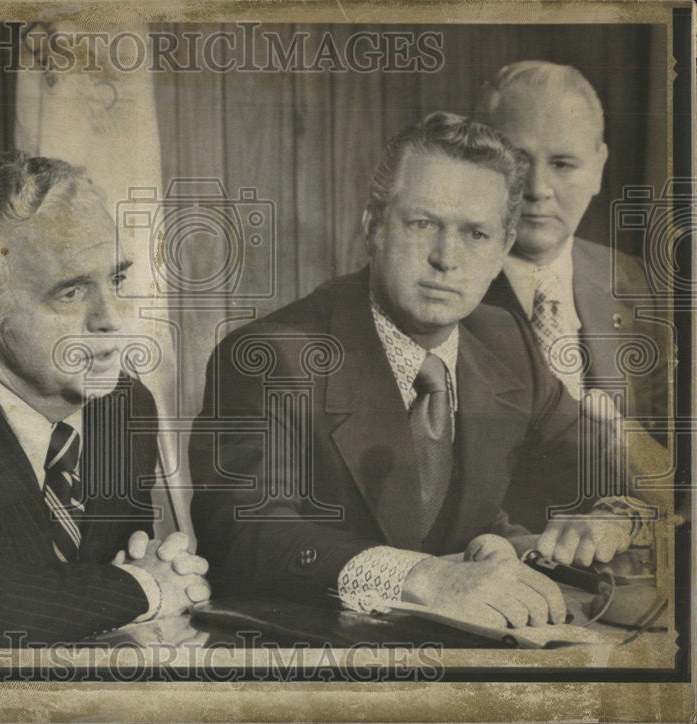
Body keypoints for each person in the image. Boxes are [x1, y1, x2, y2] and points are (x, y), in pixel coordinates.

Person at [189, 112, 643, 630]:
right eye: (423, 224)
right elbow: (244, 536)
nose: (447, 258)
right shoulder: (272, 356)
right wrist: (426, 580)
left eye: (475, 233)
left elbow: (598, 468)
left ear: (501, 250)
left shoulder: (505, 341)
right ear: (373, 227)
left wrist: (606, 513)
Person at [0, 153, 209, 649]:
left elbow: (102, 579)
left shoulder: (124, 402)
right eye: (72, 292)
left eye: (116, 280)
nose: (112, 318)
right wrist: (147, 586)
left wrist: (144, 571)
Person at [476, 61, 669, 428]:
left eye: (563, 164)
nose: (537, 190)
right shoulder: (437, 287)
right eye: (517, 161)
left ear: (598, 169)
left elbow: (670, 451)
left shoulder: (631, 283)